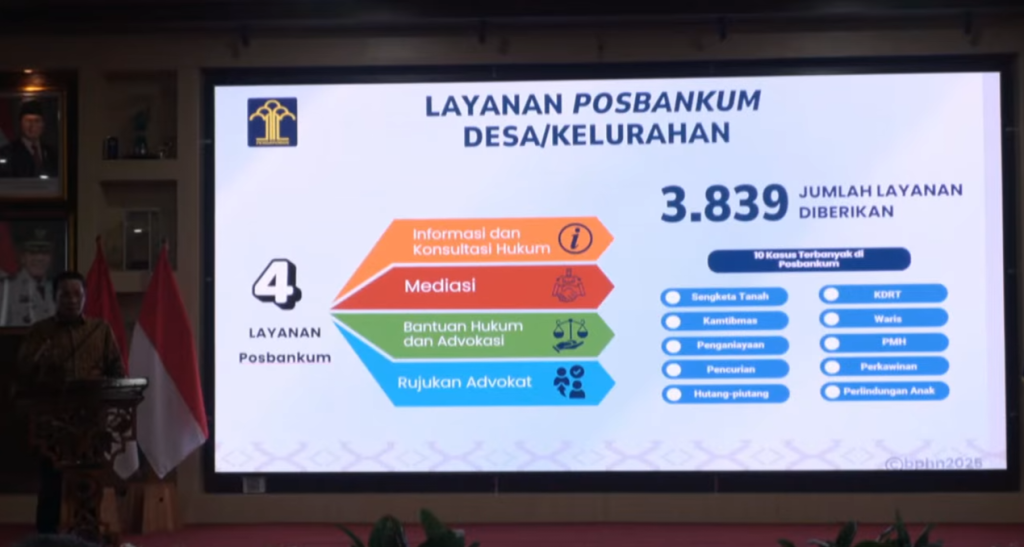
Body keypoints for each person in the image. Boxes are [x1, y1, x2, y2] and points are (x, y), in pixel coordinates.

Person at [16, 271, 126, 534]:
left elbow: (118, 373)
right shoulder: (40, 332)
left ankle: (88, 537)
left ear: (85, 297)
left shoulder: (100, 330)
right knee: (51, 484)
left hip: (92, 422)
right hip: (53, 424)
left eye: (78, 294)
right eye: (65, 294)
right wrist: (39, 359)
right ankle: (47, 538)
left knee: (90, 483)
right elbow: (23, 373)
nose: (72, 300)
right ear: (54, 297)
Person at [1, 228, 57, 327]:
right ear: (22, 257)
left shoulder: (56, 288)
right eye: (33, 253)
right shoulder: (6, 289)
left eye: (45, 253)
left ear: (51, 257)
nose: (39, 258)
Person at [0, 100, 59, 178]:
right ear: (20, 123)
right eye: (28, 121)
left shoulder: (52, 154)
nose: (32, 126)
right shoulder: (7, 153)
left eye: (37, 121)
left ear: (43, 125)